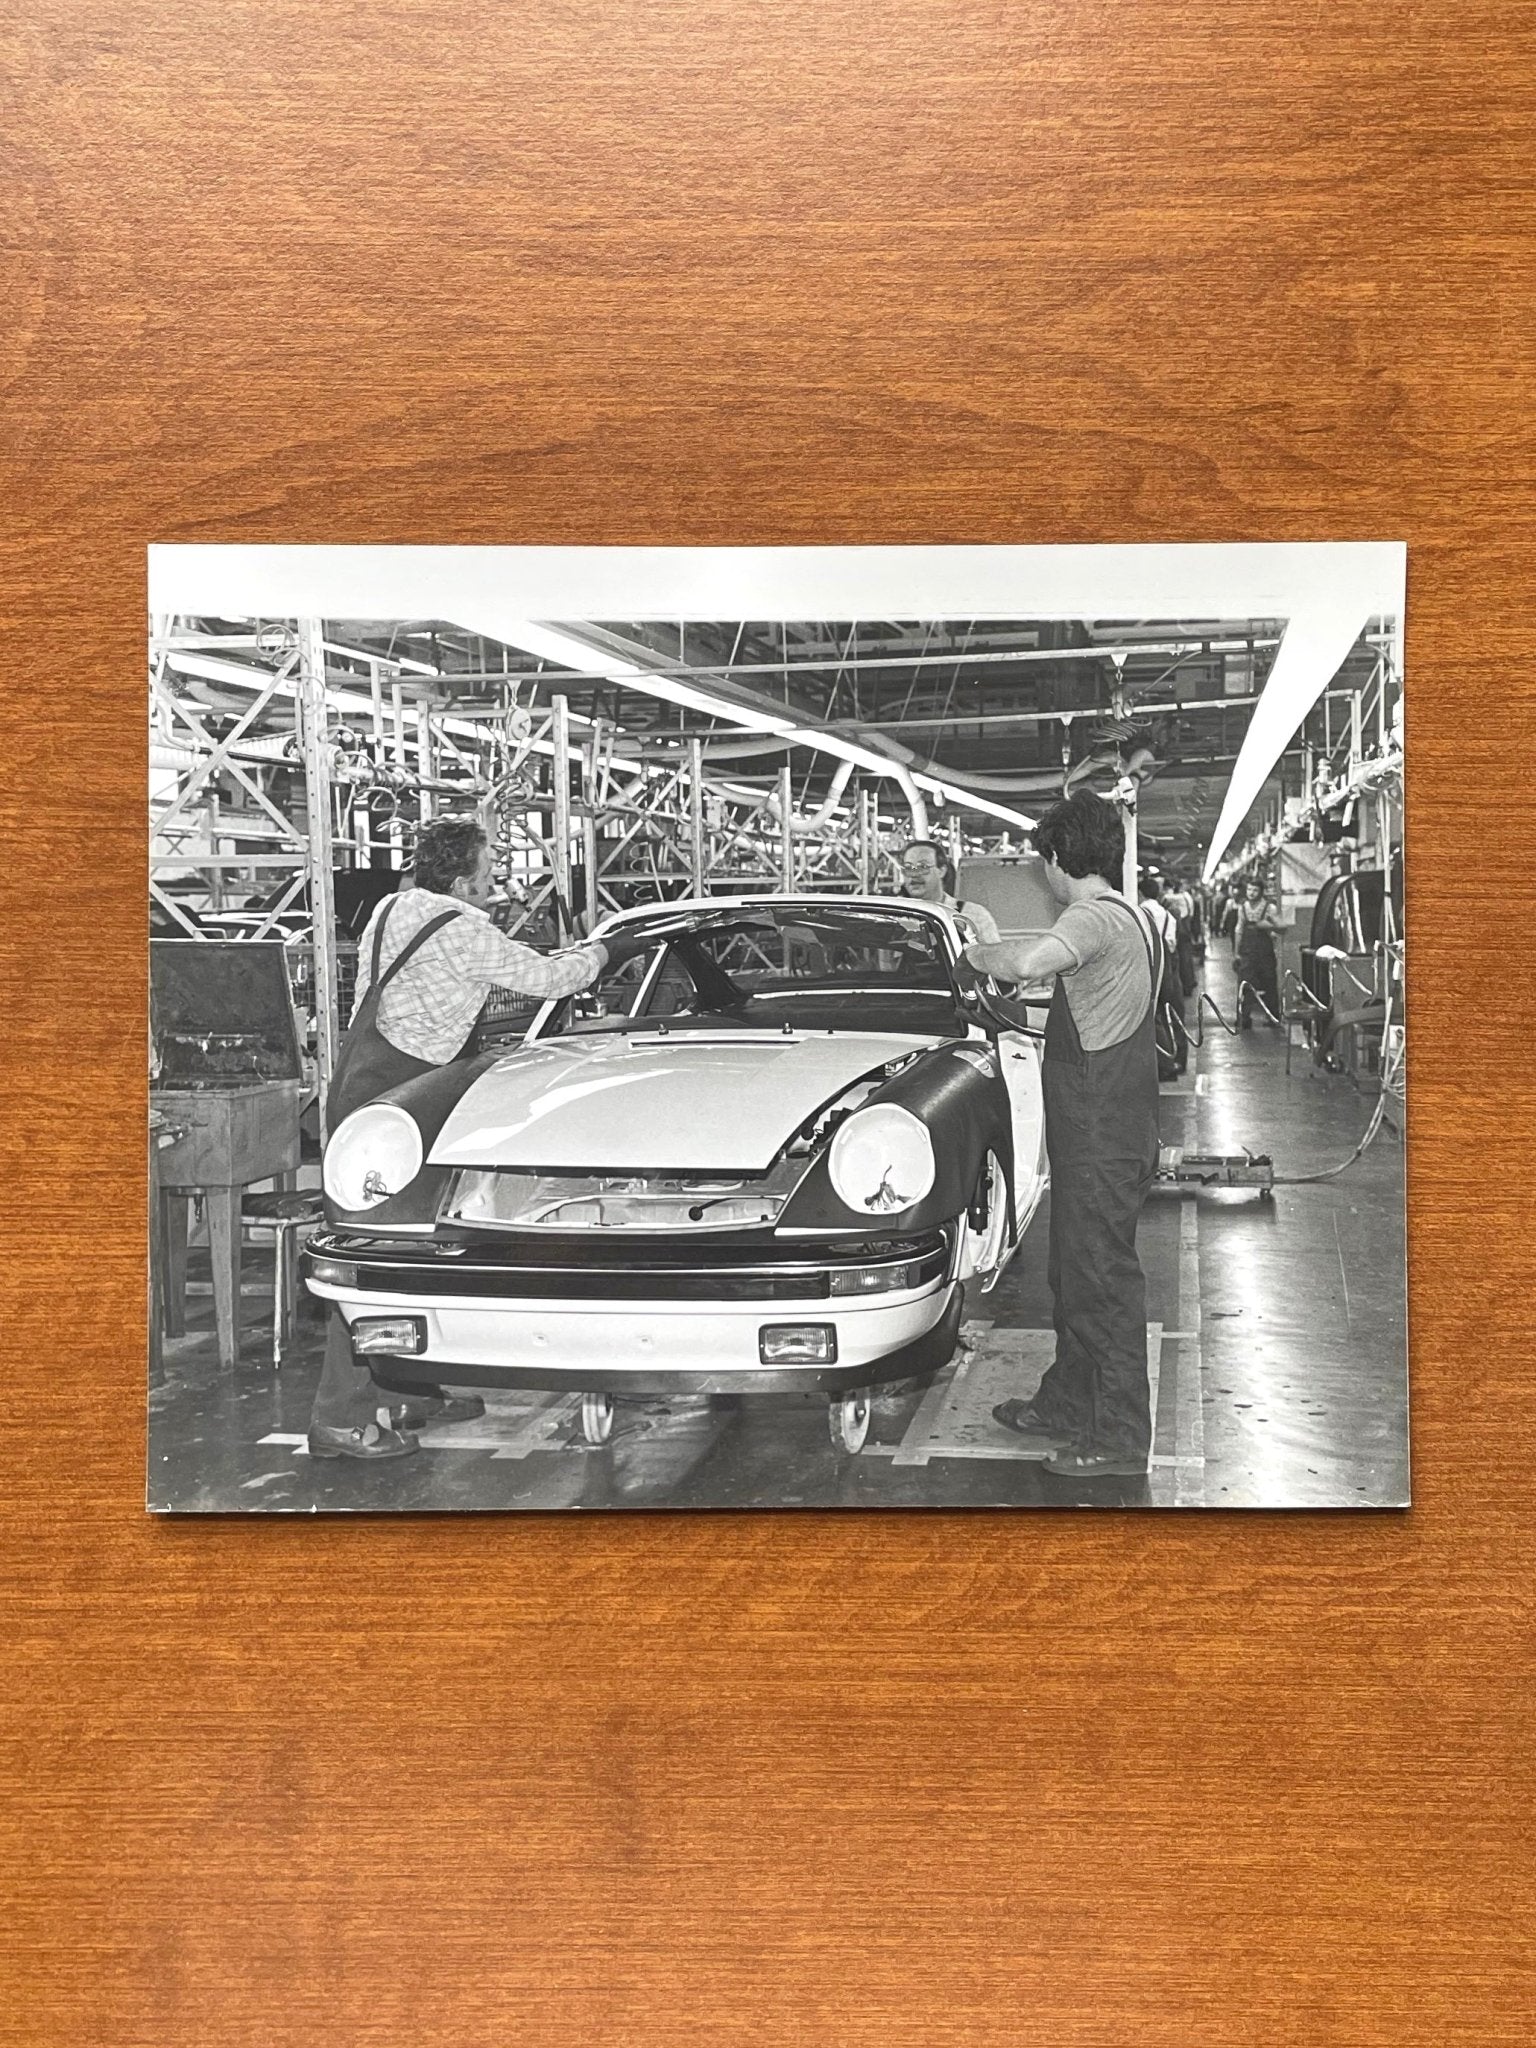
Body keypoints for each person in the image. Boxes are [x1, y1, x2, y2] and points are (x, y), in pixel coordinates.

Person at [308, 816, 647, 1461]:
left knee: (416, 1241)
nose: (496, 886)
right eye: (490, 875)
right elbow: (553, 980)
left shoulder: (392, 905)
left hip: (362, 1081)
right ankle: (341, 1416)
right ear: (462, 878)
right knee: (375, 1253)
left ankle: (410, 1388)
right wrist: (609, 951)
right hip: (402, 1094)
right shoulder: (464, 929)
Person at [960, 790, 1160, 1480]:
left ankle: (1121, 1437)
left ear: (1056, 858)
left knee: (1100, 1281)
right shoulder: (1128, 914)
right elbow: (1063, 981)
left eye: (1041, 858)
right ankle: (1069, 1403)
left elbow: (1024, 965)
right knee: (1073, 1275)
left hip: (1103, 1129)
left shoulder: (1091, 915)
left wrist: (975, 953)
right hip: (1107, 1127)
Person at [898, 841, 1001, 945]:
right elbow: (885, 960)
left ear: (942, 871)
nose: (914, 874)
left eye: (923, 867)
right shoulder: (894, 917)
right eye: (908, 868)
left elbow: (994, 958)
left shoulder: (974, 915)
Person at [1138, 874, 1185, 1079]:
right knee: (1172, 1014)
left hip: (1151, 968)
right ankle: (1178, 1060)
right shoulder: (1168, 915)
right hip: (1170, 969)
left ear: (1139, 893)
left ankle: (1165, 1063)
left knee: (1154, 1016)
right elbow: (1172, 944)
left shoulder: (1141, 913)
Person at [1235, 880, 1287, 1029]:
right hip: (1247, 953)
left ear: (1261, 892)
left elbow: (1283, 927)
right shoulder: (1242, 908)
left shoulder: (1270, 908)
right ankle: (1244, 1018)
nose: (1251, 893)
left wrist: (1269, 926)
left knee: (1270, 983)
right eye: (1249, 890)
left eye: (1255, 890)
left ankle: (1273, 1018)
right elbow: (1238, 930)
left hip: (1265, 953)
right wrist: (1236, 953)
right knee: (1245, 984)